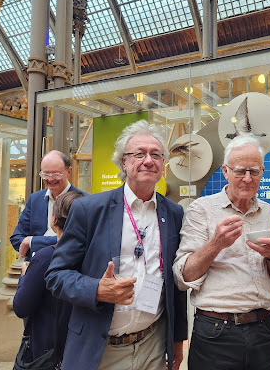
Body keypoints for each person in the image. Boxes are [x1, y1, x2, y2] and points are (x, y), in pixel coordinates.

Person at [45, 120, 187, 370]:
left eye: (156, 154)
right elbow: (56, 276)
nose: (148, 160)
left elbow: (174, 284)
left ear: (163, 165)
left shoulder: (174, 213)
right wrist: (96, 289)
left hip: (152, 345)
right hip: (100, 349)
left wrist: (177, 340)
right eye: (139, 154)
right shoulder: (89, 210)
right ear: (123, 162)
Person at [173, 135, 270, 370]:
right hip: (216, 333)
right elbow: (182, 277)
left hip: (264, 329)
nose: (247, 179)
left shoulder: (269, 213)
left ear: (262, 173)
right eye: (240, 171)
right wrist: (215, 243)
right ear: (225, 171)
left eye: (254, 171)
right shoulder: (201, 210)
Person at [13, 190, 85, 361]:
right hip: (83, 348)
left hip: (47, 349)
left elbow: (21, 307)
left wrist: (24, 275)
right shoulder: (94, 255)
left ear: (54, 220)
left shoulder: (45, 258)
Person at [10, 150, 84, 258]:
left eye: (55, 174)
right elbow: (16, 238)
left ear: (68, 171)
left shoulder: (83, 200)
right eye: (45, 174)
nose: (50, 179)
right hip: (34, 270)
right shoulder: (34, 199)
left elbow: (79, 239)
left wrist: (32, 241)